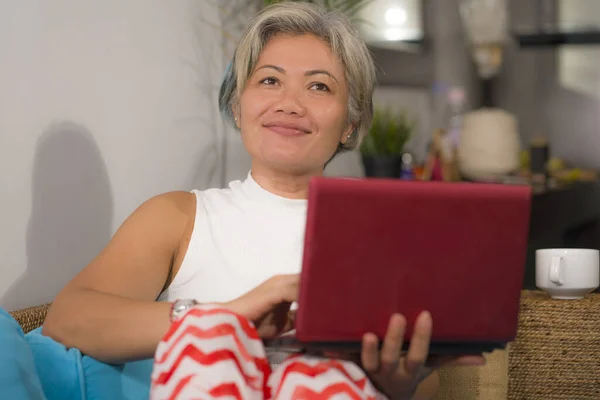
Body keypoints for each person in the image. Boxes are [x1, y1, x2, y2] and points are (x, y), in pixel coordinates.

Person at [42, 2, 485, 399]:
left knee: (320, 376)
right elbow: (68, 320)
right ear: (238, 106)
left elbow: (421, 387)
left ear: (350, 123)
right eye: (270, 80)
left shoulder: (388, 240)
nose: (289, 103)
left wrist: (395, 385)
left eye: (319, 87)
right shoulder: (178, 216)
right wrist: (227, 317)